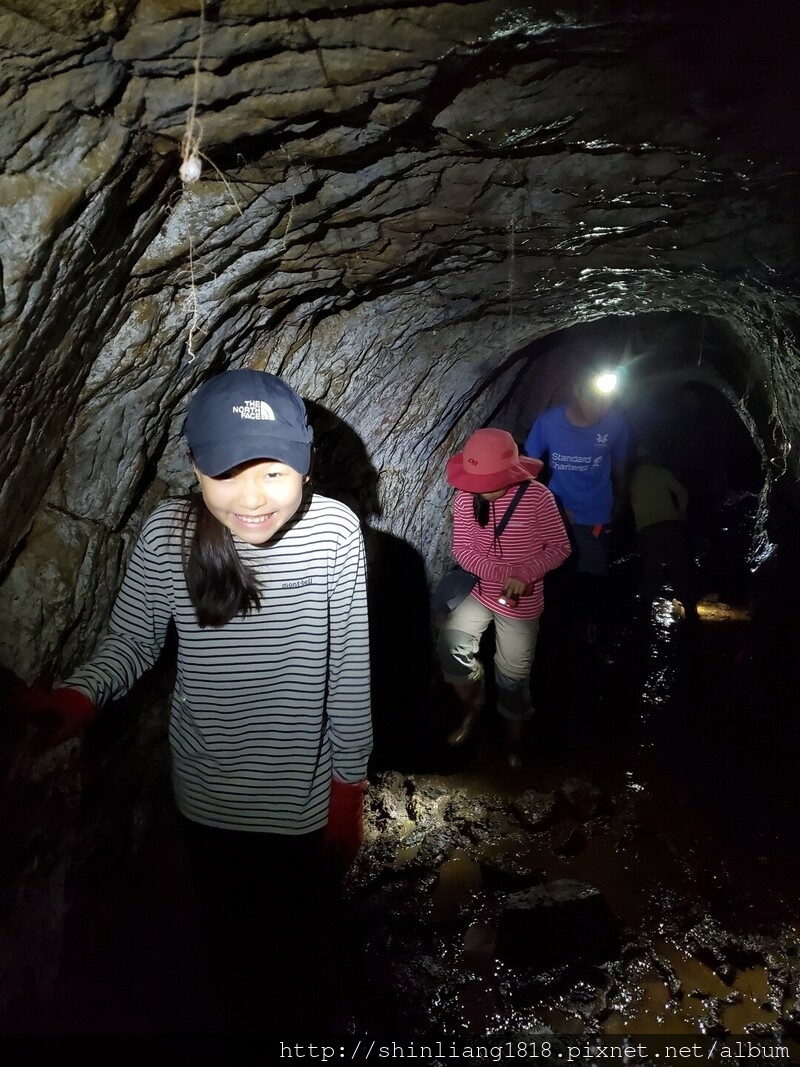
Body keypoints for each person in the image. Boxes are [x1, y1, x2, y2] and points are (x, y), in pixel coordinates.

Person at [10, 369, 373, 1032]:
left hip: (299, 801)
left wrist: (349, 787)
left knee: (294, 961)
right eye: (229, 471)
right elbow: (131, 640)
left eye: (274, 472)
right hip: (207, 797)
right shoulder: (168, 536)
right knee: (230, 957)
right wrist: (76, 697)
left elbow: (348, 668)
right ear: (195, 465)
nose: (253, 497)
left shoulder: (334, 534)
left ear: (307, 465)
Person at [437, 428, 571, 768]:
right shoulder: (466, 496)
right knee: (451, 643)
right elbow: (463, 550)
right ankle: (473, 708)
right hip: (482, 591)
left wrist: (524, 575)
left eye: (489, 481)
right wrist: (503, 576)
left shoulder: (539, 498)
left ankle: (513, 749)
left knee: (513, 680)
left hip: (521, 603)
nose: (479, 489)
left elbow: (560, 547)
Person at [524, 365, 629, 651]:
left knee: (592, 575)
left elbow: (620, 462)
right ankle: (555, 638)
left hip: (596, 512)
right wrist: (543, 507)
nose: (602, 406)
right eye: (594, 397)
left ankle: (588, 638)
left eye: (607, 398)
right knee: (555, 576)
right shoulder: (549, 422)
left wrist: (621, 497)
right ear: (577, 391)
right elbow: (528, 468)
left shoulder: (616, 423)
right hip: (556, 513)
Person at [630, 446, 698, 622]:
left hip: (647, 531)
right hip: (671, 527)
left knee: (651, 571)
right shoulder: (661, 472)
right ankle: (690, 612)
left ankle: (644, 614)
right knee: (680, 569)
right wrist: (681, 513)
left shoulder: (630, 479)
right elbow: (682, 492)